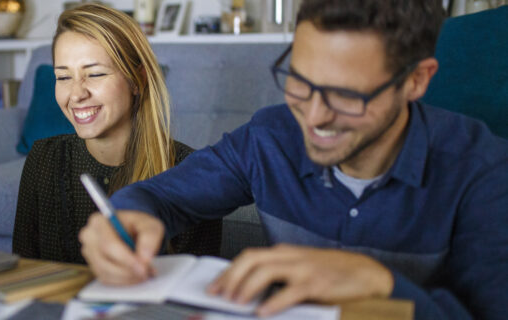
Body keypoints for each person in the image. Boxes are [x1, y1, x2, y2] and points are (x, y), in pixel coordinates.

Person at [77, 0, 508, 319]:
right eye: (299, 81)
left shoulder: (483, 169)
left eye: (346, 95)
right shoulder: (269, 136)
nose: (314, 117)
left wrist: (380, 283)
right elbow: (162, 197)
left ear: (416, 80)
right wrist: (130, 216)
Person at [12, 3, 222, 264]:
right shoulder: (42, 158)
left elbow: (193, 287)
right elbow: (23, 270)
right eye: (63, 77)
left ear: (137, 80)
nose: (76, 94)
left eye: (95, 74)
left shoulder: (190, 173)